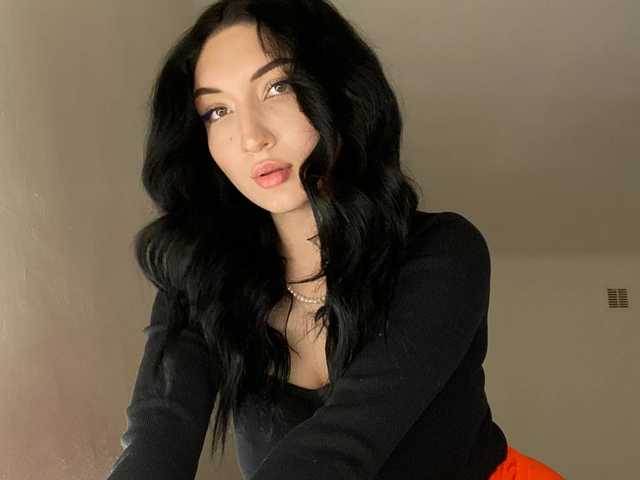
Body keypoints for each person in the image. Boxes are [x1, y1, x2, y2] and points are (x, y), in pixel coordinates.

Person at [107, 1, 564, 479]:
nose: (251, 137)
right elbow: (156, 437)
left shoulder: (443, 252)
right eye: (217, 111)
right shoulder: (199, 279)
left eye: (277, 87)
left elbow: (340, 448)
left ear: (341, 92)